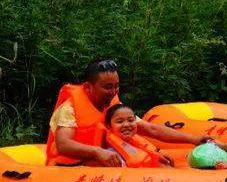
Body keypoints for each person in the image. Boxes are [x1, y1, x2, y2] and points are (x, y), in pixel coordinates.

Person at [45, 59, 203, 166]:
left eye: (116, 86)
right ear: (88, 87)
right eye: (107, 87)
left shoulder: (115, 105)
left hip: (101, 166)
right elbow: (63, 145)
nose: (113, 92)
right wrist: (97, 152)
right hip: (69, 170)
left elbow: (150, 128)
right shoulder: (69, 108)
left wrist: (194, 139)